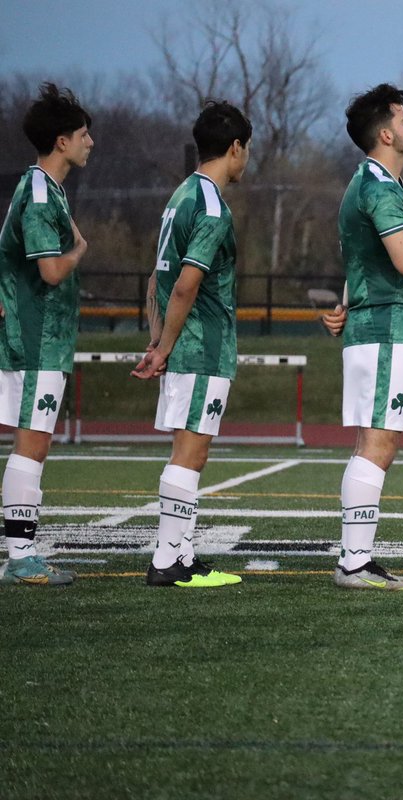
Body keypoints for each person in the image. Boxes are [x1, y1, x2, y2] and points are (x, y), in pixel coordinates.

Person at [131, 101, 252, 588]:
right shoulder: (212, 206)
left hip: (184, 342)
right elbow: (184, 283)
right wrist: (164, 347)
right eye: (247, 151)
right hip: (202, 346)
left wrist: (158, 338)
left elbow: (155, 277)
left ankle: (178, 554)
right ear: (235, 148)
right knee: (191, 453)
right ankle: (169, 561)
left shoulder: (180, 195)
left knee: (187, 450)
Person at [319, 84, 403, 591]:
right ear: (385, 133)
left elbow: (363, 257)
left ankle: (356, 558)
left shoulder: (375, 182)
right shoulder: (381, 186)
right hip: (387, 327)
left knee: (372, 440)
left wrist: (346, 303)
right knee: (379, 443)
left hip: (376, 324)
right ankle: (354, 562)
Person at [0, 84, 92, 587]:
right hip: (34, 341)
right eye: (83, 134)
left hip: (40, 338)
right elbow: (52, 271)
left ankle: (22, 551)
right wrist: (79, 248)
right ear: (61, 141)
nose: (90, 143)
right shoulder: (39, 192)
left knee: (33, 443)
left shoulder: (43, 189)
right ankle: (21, 557)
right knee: (31, 444)